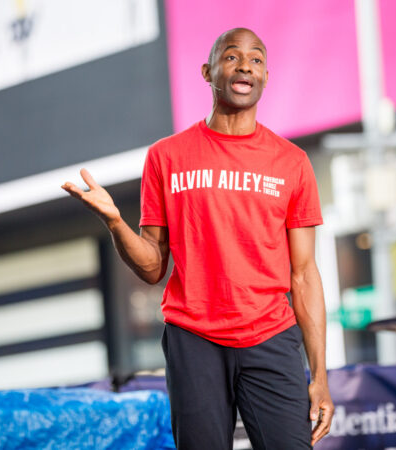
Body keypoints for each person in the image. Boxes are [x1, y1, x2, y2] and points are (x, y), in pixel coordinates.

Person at [62, 27, 333, 449]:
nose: (245, 64)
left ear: (265, 77)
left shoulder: (292, 163)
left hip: (270, 336)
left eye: (257, 59)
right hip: (195, 339)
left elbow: (304, 274)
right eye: (232, 56)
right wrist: (115, 222)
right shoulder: (166, 157)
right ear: (208, 72)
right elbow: (153, 267)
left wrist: (319, 375)